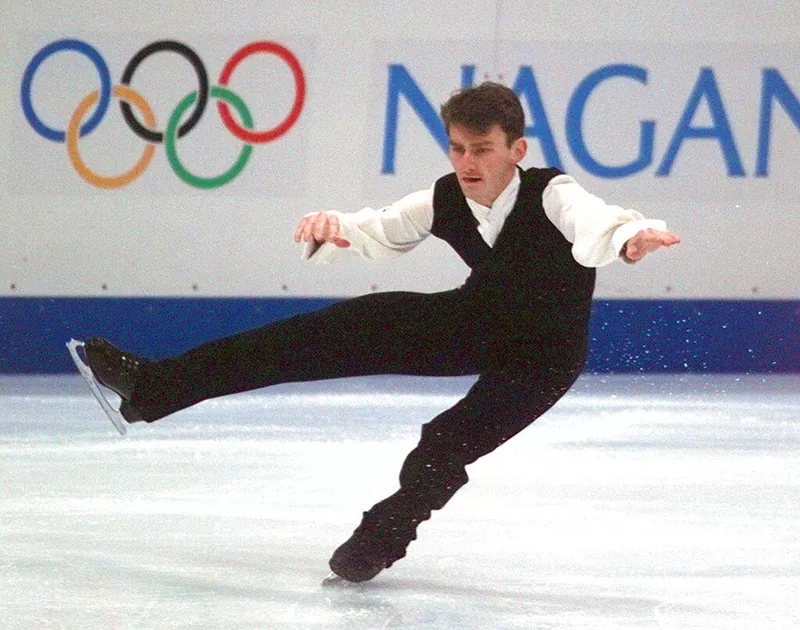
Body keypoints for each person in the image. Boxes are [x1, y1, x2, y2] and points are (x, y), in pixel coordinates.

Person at [81, 82, 679, 583]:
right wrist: (334, 226)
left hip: (543, 360)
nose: (468, 163)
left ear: (515, 148)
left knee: (444, 443)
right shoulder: (447, 196)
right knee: (332, 329)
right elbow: (384, 228)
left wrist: (633, 238)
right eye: (458, 148)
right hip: (470, 324)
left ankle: (381, 538)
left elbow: (600, 222)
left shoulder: (554, 194)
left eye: (483, 150)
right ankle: (153, 388)